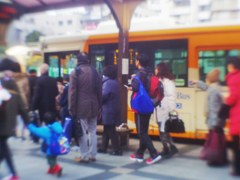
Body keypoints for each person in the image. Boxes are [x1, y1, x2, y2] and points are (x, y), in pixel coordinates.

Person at [68, 52, 102, 162]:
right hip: (94, 105)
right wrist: (99, 105)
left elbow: (72, 92)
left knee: (82, 131)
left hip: (81, 106)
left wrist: (71, 108)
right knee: (92, 131)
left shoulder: (76, 72)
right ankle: (93, 154)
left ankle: (84, 155)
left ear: (78, 61)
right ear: (88, 60)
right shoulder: (94, 71)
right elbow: (99, 91)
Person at [129, 53, 161, 165]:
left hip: (140, 105)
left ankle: (154, 153)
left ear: (138, 62)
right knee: (144, 130)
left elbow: (135, 87)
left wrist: (131, 83)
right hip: (148, 104)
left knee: (141, 132)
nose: (135, 62)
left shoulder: (139, 74)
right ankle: (140, 153)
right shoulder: (150, 73)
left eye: (136, 60)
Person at [0, 58, 29, 180]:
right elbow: (22, 106)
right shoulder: (13, 84)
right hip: (9, 124)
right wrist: (28, 122)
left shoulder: (4, 83)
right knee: (3, 149)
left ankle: (14, 174)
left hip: (2, 123)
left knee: (3, 150)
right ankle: (14, 174)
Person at [193, 68, 227, 165]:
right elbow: (207, 87)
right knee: (219, 141)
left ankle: (215, 159)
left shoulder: (213, 90)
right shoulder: (215, 87)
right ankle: (221, 158)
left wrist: (214, 123)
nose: (206, 80)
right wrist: (197, 82)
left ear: (210, 79)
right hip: (218, 120)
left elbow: (213, 109)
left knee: (215, 141)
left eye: (207, 78)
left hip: (215, 120)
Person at [28, 112, 63, 177]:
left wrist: (29, 125)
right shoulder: (58, 126)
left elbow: (35, 130)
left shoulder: (46, 130)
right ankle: (51, 170)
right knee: (53, 159)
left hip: (50, 149)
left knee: (50, 160)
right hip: (58, 147)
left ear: (45, 121)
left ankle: (58, 168)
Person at [98, 65, 122, 156]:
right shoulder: (114, 82)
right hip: (112, 109)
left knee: (111, 130)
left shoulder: (108, 83)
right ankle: (103, 147)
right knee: (107, 129)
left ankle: (117, 149)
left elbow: (103, 96)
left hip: (109, 110)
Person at [155, 63, 178, 159]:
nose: (155, 70)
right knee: (164, 130)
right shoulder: (160, 81)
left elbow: (172, 99)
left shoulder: (168, 83)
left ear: (161, 70)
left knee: (163, 131)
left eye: (156, 69)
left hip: (165, 111)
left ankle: (167, 149)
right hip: (160, 110)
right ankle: (171, 147)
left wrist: (173, 113)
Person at [225, 57, 240, 176]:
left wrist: (226, 101)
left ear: (232, 66)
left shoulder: (235, 78)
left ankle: (237, 169)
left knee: (236, 146)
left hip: (237, 116)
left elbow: (233, 97)